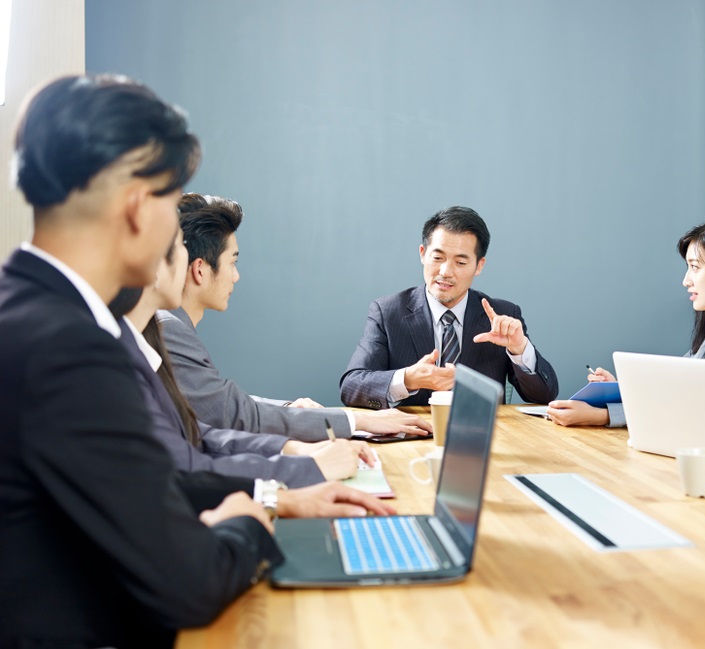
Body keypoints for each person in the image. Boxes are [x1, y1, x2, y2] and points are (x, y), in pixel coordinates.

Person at [0, 74, 279, 648]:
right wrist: (248, 524)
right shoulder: (71, 352)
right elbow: (190, 582)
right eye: (170, 203)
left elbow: (133, 486)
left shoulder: (25, 311)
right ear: (136, 207)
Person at [111, 229, 374, 487]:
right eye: (179, 246)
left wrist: (289, 448)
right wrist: (306, 466)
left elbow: (194, 431)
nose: (187, 260)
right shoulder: (162, 330)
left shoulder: (142, 337)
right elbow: (218, 425)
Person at [159, 193, 431, 441]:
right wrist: (361, 419)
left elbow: (222, 403)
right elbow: (233, 414)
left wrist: (288, 408)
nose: (236, 276)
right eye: (233, 262)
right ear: (200, 270)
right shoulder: (170, 330)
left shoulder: (171, 326)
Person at [547, 217, 705, 427]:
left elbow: (696, 400)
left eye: (695, 267)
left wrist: (604, 416)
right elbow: (670, 387)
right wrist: (619, 388)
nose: (686, 280)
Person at [339, 206, 559, 408]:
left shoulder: (503, 315)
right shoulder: (388, 312)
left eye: (461, 262)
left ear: (479, 266)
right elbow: (351, 387)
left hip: (483, 439)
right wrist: (408, 379)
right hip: (409, 440)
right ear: (423, 254)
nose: (445, 271)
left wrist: (520, 349)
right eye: (438, 257)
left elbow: (544, 397)